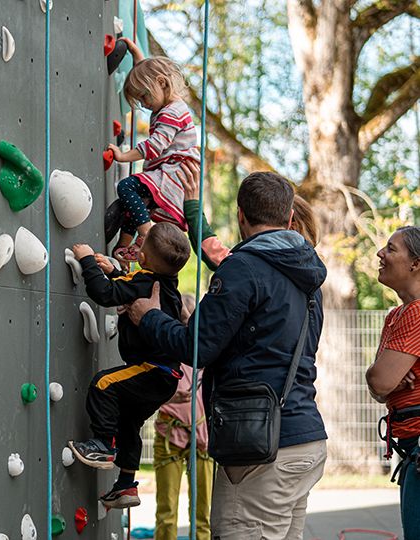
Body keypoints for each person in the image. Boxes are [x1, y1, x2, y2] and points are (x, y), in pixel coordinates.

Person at [128, 171, 328, 539]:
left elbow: (197, 346)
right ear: (288, 219)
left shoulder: (244, 268)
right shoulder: (308, 276)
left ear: (240, 216)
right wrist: (192, 214)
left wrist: (150, 318)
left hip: (262, 446)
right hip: (306, 438)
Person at [67, 222, 191, 509]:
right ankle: (125, 486)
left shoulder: (143, 280)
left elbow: (105, 294)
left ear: (143, 259)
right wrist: (115, 272)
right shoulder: (166, 284)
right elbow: (130, 286)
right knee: (128, 422)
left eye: (143, 240)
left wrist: (86, 259)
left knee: (103, 384)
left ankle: (102, 446)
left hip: (152, 369)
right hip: (164, 376)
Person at [106, 38, 200, 264]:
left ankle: (145, 232)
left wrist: (123, 156)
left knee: (127, 187)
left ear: (162, 83)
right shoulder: (167, 101)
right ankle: (124, 247)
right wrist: (136, 54)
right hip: (169, 171)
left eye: (145, 96)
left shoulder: (171, 113)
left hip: (173, 174)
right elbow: (149, 74)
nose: (144, 103)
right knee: (134, 206)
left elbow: (154, 146)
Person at [365, 225, 420, 539]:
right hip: (408, 448)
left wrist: (381, 377)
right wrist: (379, 377)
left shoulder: (416, 314)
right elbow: (378, 386)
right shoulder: (396, 316)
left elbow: (381, 381)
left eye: (391, 248)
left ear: (415, 263)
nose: (380, 253)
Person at [175, 161, 319, 272]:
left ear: (289, 223)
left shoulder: (260, 262)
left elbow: (216, 254)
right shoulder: (310, 267)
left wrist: (193, 207)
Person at [153, 293, 213, 540]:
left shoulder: (206, 353)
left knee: (203, 514)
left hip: (202, 437)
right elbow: (145, 393)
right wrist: (168, 398)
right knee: (166, 512)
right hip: (170, 433)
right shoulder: (163, 353)